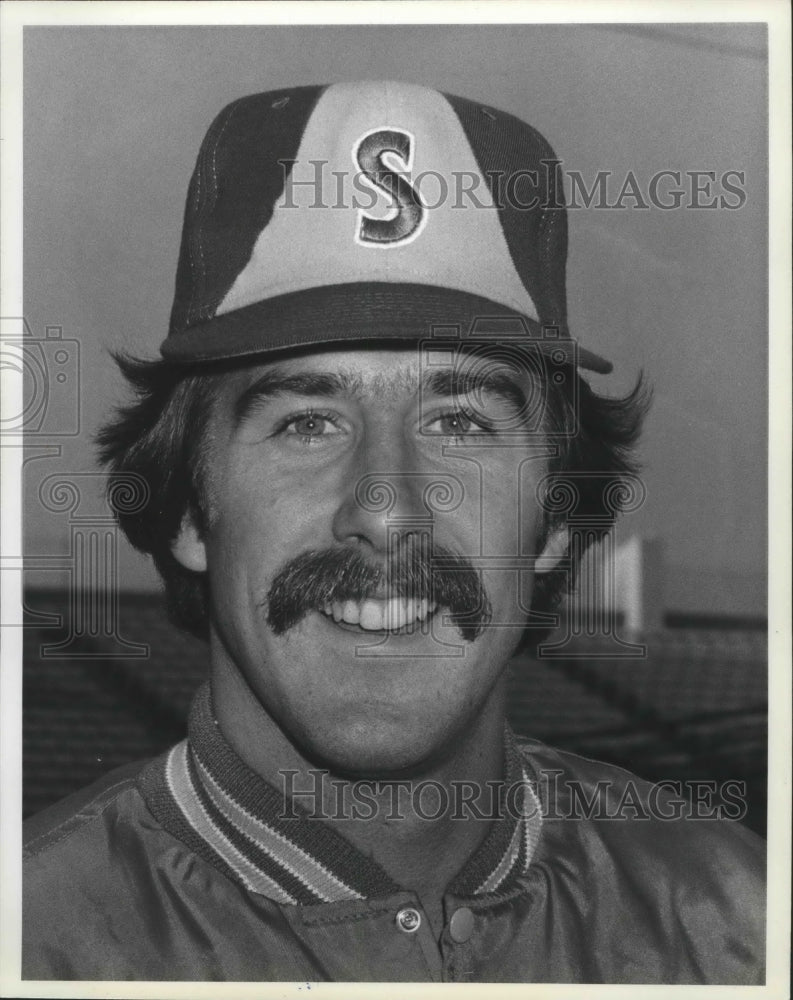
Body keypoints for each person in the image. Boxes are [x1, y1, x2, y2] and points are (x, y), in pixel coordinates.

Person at [23, 80, 765, 983]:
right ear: (186, 510)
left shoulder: (737, 917)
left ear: (553, 520)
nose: (383, 508)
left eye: (460, 423)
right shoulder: (31, 936)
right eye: (305, 422)